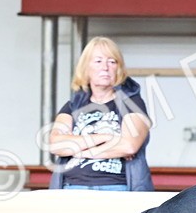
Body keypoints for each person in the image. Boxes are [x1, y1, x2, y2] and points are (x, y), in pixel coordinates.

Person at [48, 36, 153, 191]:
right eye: (98, 61)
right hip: (71, 188)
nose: (105, 67)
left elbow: (129, 146)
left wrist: (79, 149)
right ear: (86, 68)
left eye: (112, 61)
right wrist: (108, 138)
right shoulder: (73, 106)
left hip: (117, 187)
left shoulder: (132, 103)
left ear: (118, 69)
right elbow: (56, 144)